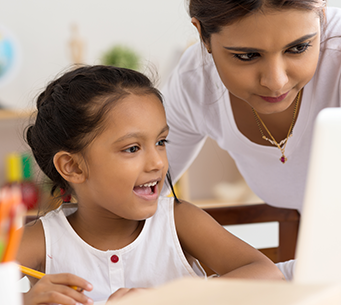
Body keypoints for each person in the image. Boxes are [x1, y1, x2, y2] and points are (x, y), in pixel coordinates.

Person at [17, 65, 283, 305]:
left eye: (161, 142)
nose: (157, 162)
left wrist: (167, 298)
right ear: (73, 167)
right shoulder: (41, 240)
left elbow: (269, 275)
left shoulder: (179, 221)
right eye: (132, 148)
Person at [161, 0, 341, 280]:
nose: (275, 81)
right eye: (247, 55)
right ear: (203, 35)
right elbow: (130, 197)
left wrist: (220, 289)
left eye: (298, 48)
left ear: (321, 15)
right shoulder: (195, 83)